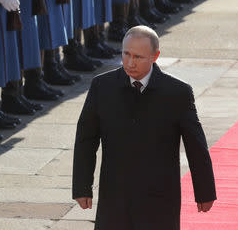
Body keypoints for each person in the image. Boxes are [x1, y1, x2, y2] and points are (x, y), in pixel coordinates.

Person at [72, 25, 216, 230]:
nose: (130, 63)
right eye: (126, 54)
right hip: (115, 196)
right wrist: (82, 186)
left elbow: (196, 146)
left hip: (159, 198)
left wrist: (204, 191)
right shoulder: (102, 87)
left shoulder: (177, 92)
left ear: (155, 56)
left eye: (138, 57)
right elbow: (86, 140)